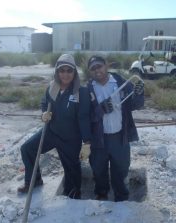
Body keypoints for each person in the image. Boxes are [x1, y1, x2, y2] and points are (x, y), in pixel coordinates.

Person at [18, 54, 91, 199]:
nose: (65, 74)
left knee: (72, 168)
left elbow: (84, 118)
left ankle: (72, 194)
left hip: (70, 138)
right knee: (27, 149)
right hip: (51, 132)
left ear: (74, 72)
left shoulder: (81, 92)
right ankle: (34, 181)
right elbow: (44, 103)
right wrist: (44, 112)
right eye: (61, 70)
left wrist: (87, 142)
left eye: (69, 70)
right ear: (57, 72)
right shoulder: (52, 87)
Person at [86, 55, 144, 202]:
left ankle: (121, 196)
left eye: (99, 66)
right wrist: (100, 110)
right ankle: (102, 193)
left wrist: (139, 94)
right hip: (99, 140)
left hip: (120, 137)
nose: (97, 70)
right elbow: (85, 117)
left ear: (106, 65)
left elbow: (135, 105)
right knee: (98, 169)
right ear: (90, 71)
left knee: (121, 168)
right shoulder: (87, 90)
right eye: (93, 68)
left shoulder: (121, 82)